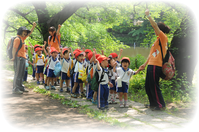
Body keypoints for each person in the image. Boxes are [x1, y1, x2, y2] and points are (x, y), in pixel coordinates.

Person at [139, 9, 171, 111]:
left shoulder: (163, 37)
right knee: (148, 85)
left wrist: (148, 16)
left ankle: (161, 105)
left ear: (160, 30)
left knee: (154, 85)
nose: (154, 30)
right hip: (151, 65)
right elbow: (151, 55)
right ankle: (153, 104)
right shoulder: (157, 40)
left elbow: (154, 26)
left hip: (156, 66)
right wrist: (144, 64)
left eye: (156, 29)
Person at [11, 22, 36, 94]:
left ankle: (20, 87)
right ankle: (15, 89)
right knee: (17, 73)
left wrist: (33, 26)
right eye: (24, 32)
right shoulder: (17, 39)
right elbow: (14, 48)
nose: (25, 33)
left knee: (22, 74)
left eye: (26, 32)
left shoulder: (22, 38)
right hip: (18, 58)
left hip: (23, 58)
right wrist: (13, 57)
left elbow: (30, 33)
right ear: (21, 32)